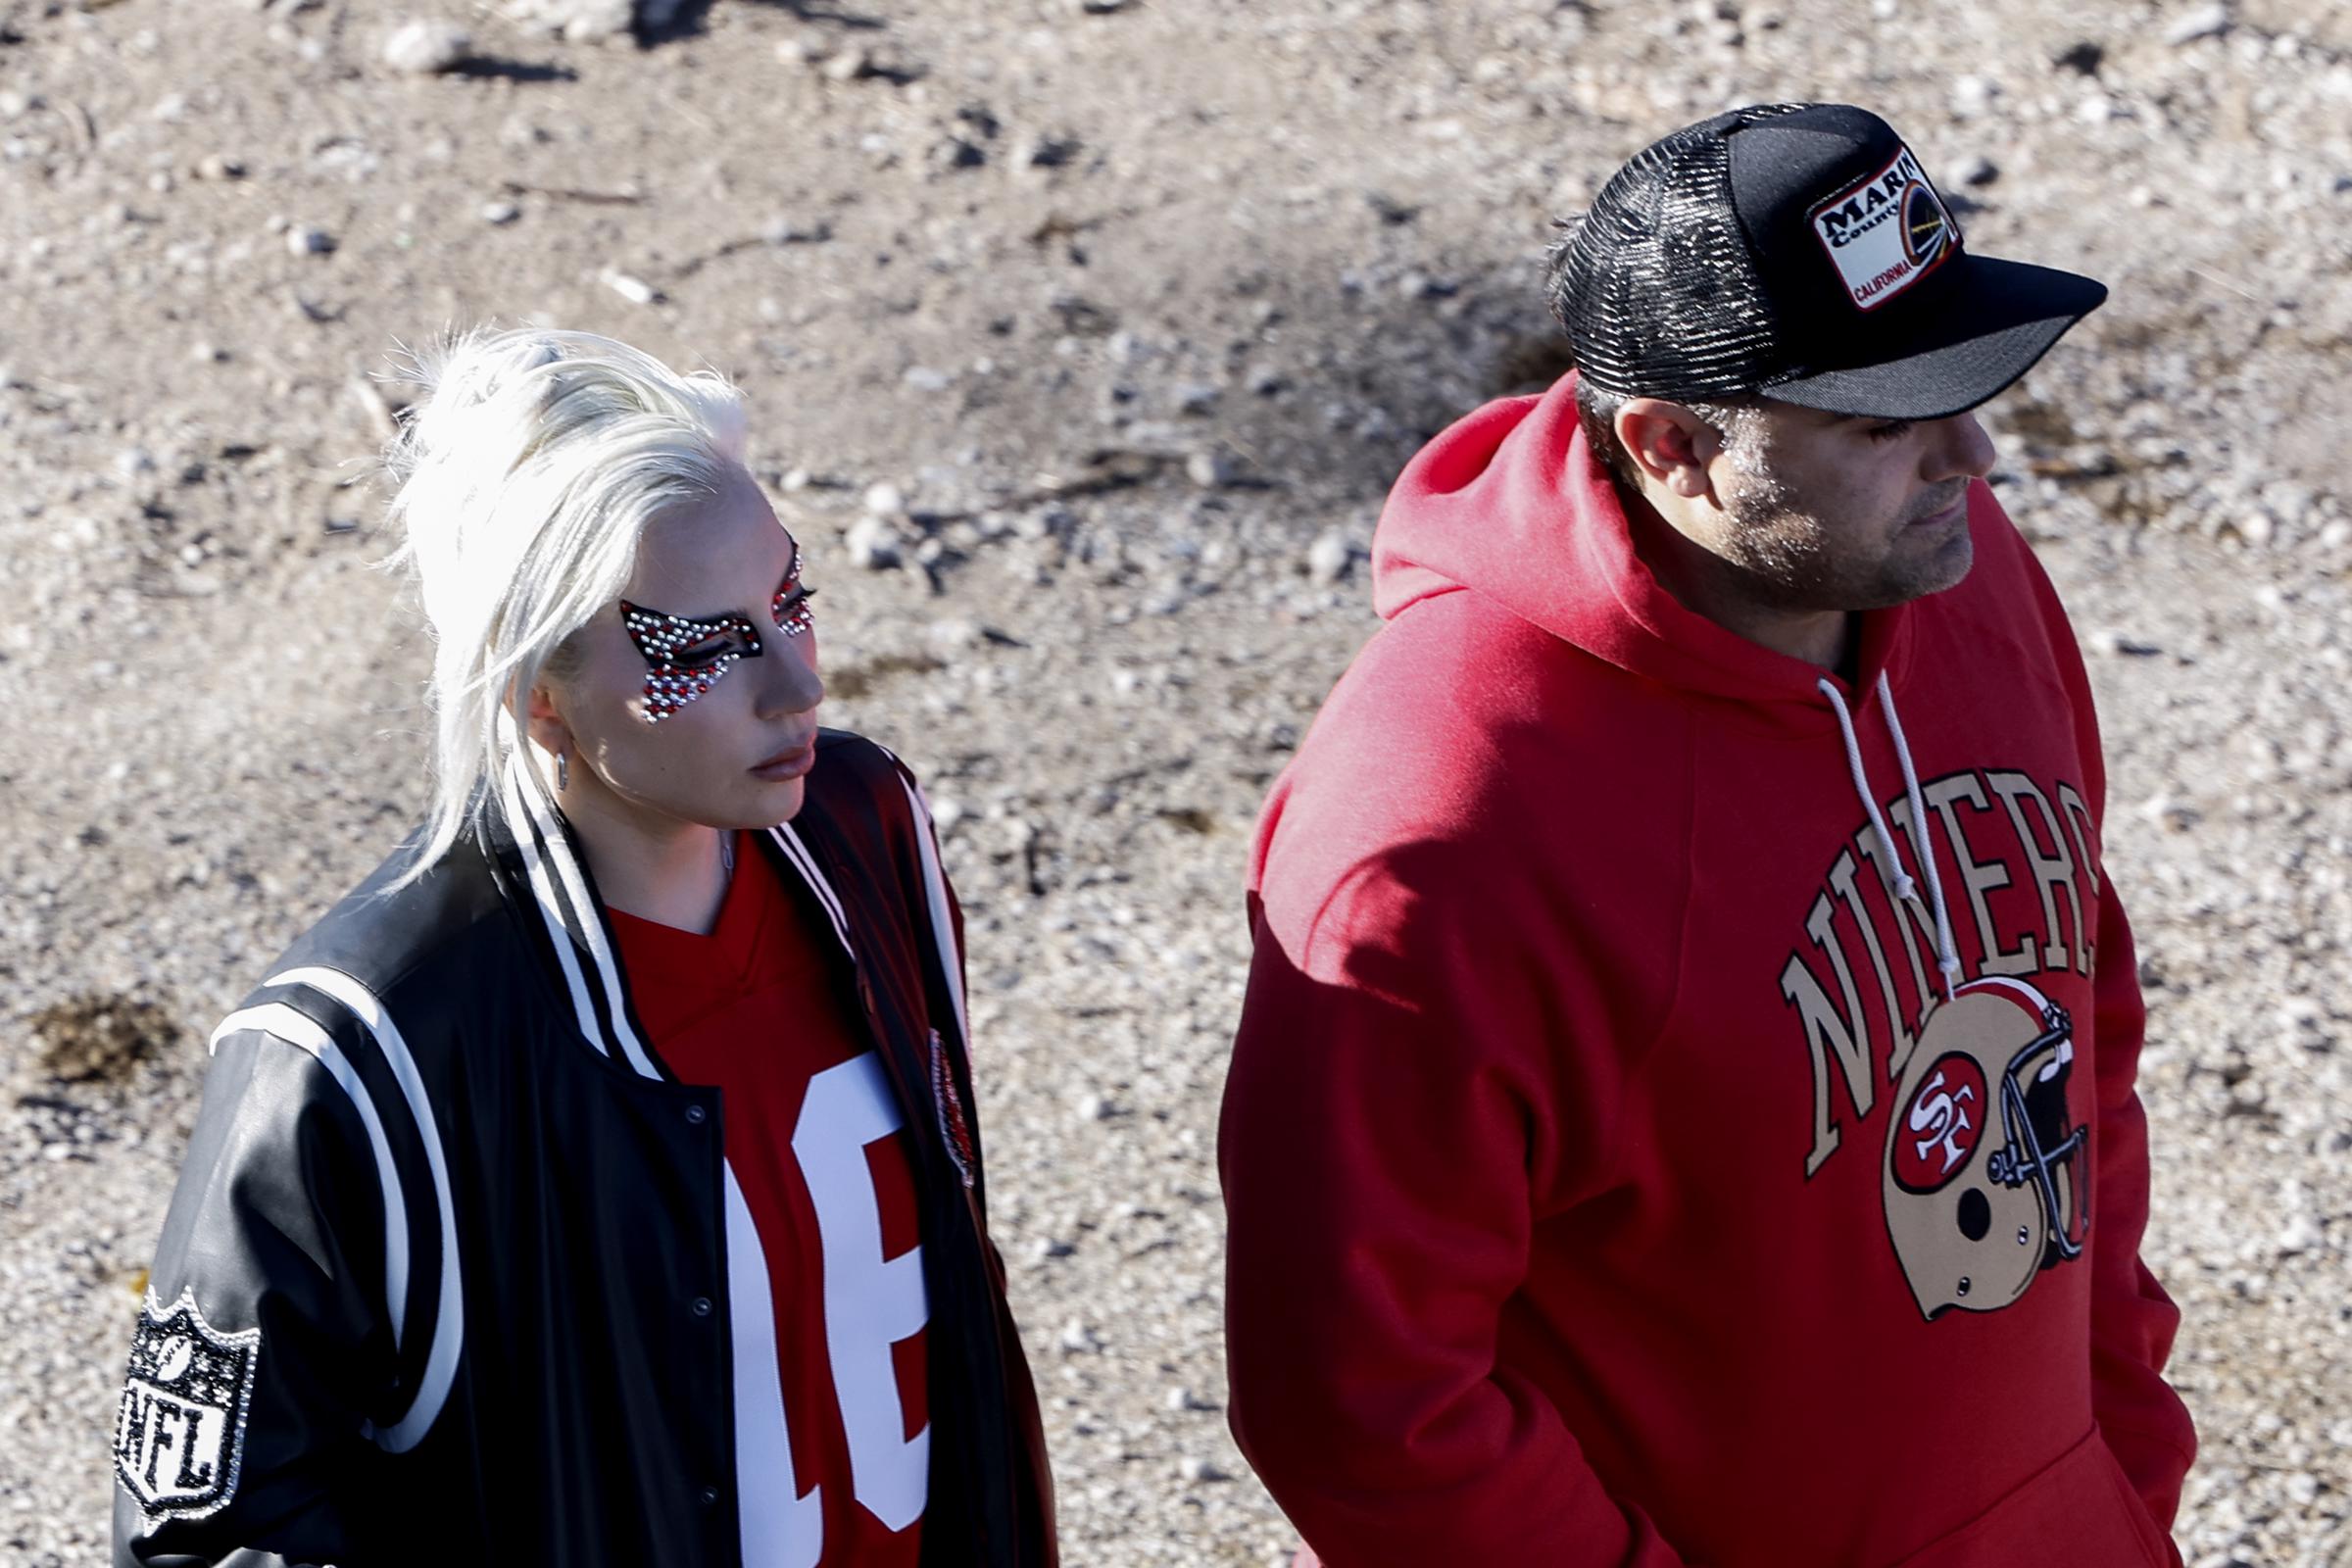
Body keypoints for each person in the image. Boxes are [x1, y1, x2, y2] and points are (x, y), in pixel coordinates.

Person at [1220, 104, 2195, 1567]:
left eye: (1972, 381)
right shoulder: (1445, 828)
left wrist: (2115, 1462)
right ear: (1676, 448)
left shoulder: (1958, 575)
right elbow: (1360, 1403)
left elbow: (2078, 1028)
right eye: (1888, 416)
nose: (1976, 455)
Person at [110, 328, 1055, 1567]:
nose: (795, 686)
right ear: (535, 688)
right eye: (701, 647)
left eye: (789, 606)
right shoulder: (362, 1046)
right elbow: (208, 1532)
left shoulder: (866, 830)